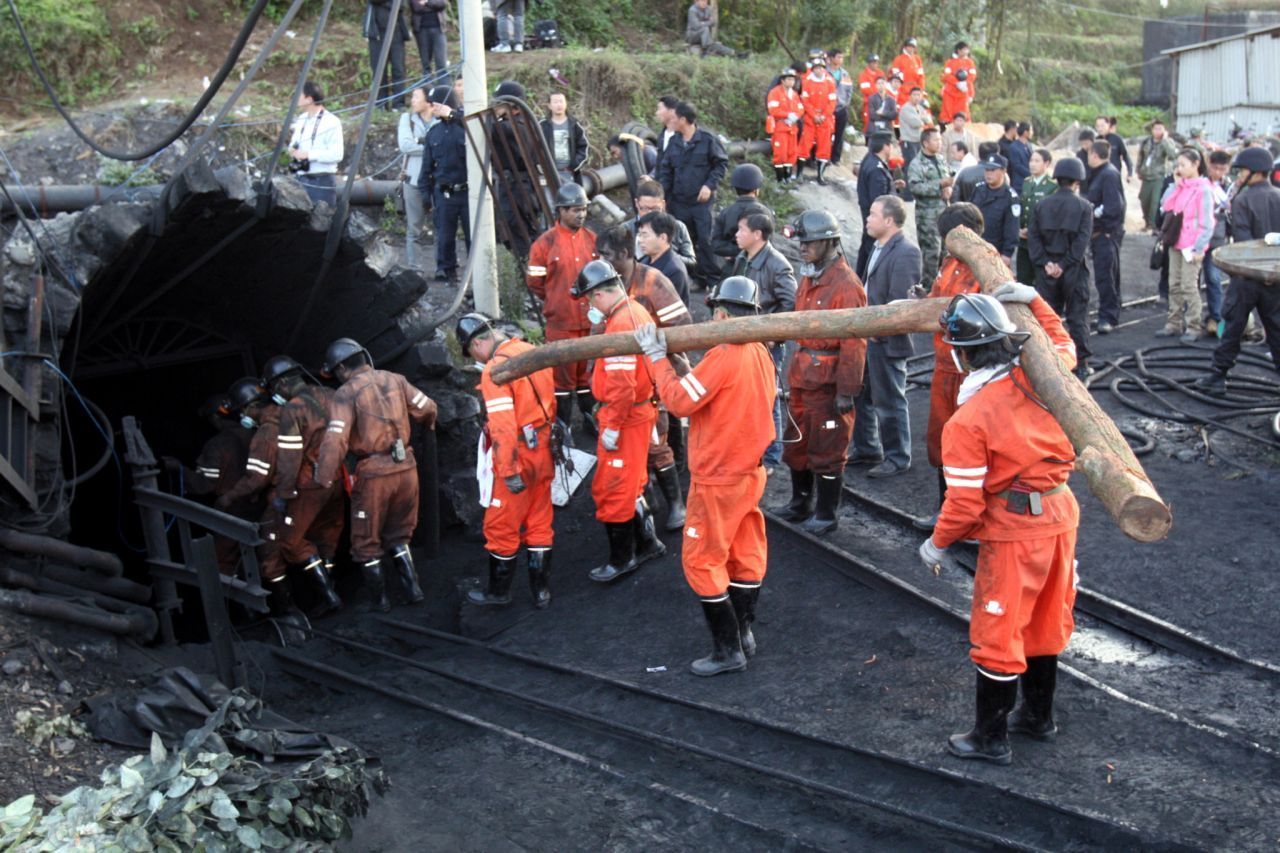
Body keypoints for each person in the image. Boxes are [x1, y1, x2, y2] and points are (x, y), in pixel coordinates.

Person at [919, 285, 1080, 766]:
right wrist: (1035, 300)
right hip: (1060, 512)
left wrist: (937, 543)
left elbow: (964, 505)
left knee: (999, 628)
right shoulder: (1043, 374)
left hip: (1015, 528)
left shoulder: (968, 421)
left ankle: (989, 739)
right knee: (1048, 618)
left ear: (965, 356)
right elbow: (1062, 340)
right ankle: (1038, 717)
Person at [633, 276, 776, 676]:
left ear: (723, 313)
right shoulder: (759, 350)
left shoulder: (726, 354)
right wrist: (679, 365)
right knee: (745, 552)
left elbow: (679, 402)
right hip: (749, 472)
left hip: (718, 479)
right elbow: (712, 392)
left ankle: (727, 651)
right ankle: (744, 633)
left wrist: (655, 359)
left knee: (702, 559)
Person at [314, 338, 437, 612]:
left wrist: (323, 477)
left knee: (366, 542)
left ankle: (379, 603)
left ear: (343, 368)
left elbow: (336, 440)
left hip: (374, 474)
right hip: (406, 467)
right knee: (399, 533)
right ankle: (413, 589)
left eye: (336, 372)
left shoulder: (345, 394)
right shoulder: (395, 379)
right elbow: (428, 407)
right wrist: (427, 427)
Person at [571, 261, 667, 583]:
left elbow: (621, 385)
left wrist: (611, 425)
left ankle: (621, 559)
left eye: (589, 299)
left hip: (625, 418)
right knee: (633, 482)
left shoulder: (621, 323)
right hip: (638, 413)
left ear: (600, 294)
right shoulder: (634, 311)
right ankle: (648, 543)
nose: (589, 307)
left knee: (612, 489)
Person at [456, 314, 556, 609]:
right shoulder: (528, 350)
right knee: (539, 519)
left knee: (501, 526)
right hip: (544, 445)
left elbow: (502, 425)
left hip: (519, 454)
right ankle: (542, 593)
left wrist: (508, 470)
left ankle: (499, 593)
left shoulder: (495, 370)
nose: (475, 358)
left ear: (477, 343)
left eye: (471, 352)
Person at [596, 226, 692, 532]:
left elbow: (683, 327)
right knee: (636, 447)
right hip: (621, 379)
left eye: (607, 255)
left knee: (657, 443)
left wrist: (654, 352)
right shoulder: (607, 283)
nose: (602, 260)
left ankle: (677, 504)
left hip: (652, 378)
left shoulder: (652, 281)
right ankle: (643, 502)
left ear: (624, 255)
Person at [777, 210, 867, 535]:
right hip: (802, 379)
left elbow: (854, 341)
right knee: (796, 442)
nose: (803, 248)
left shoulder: (845, 285)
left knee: (827, 447)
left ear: (829, 241)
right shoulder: (809, 275)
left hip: (829, 387)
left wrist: (847, 390)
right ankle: (800, 502)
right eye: (801, 242)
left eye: (809, 242)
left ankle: (826, 513)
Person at [215, 379, 307, 641]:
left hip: (281, 499)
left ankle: (289, 612)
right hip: (309, 491)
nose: (242, 418)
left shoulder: (265, 433)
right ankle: (326, 596)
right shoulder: (293, 415)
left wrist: (230, 497)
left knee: (269, 560)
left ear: (249, 408)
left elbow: (257, 477)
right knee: (308, 543)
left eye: (242, 412)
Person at [259, 355, 346, 616]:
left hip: (310, 485)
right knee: (326, 534)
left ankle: (329, 596)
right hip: (338, 480)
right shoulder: (331, 395)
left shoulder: (293, 409)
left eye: (275, 389)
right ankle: (329, 589)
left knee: (290, 541)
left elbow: (289, 458)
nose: (276, 394)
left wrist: (283, 494)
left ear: (283, 384)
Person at [917, 203, 985, 530]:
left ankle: (970, 518)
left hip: (972, 372)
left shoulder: (987, 267)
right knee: (940, 439)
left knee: (969, 447)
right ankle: (946, 508)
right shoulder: (950, 264)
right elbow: (936, 298)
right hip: (945, 366)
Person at [1196, 147, 1280, 394]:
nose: (1240, 175)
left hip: (1247, 278)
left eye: (1243, 170)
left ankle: (1218, 376)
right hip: (1274, 277)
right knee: (1276, 329)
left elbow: (1244, 243)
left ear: (1255, 172)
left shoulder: (1242, 200)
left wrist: (1251, 273)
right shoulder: (1278, 197)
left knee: (1232, 327)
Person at [850, 195, 922, 478]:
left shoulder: (906, 251)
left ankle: (897, 457)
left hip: (885, 340)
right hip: (870, 336)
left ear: (889, 220)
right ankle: (868, 447)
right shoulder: (878, 247)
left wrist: (880, 331)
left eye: (873, 214)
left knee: (890, 400)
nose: (867, 219)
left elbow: (900, 303)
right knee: (862, 394)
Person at [527, 182, 600, 431]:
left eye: (583, 209)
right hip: (561, 325)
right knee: (562, 381)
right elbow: (536, 283)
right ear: (561, 211)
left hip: (590, 325)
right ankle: (562, 429)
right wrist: (556, 301)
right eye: (574, 210)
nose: (580, 214)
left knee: (588, 378)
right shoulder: (544, 245)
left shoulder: (592, 240)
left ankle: (592, 425)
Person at [731, 211, 797, 470]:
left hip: (765, 344)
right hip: (743, 339)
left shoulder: (777, 264)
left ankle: (771, 456)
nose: (736, 235)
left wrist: (772, 336)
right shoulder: (742, 259)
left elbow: (791, 304)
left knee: (768, 398)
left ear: (757, 234)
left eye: (741, 230)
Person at [168, 395, 253, 577]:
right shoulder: (255, 434)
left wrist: (179, 470)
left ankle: (233, 602)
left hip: (232, 509)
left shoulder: (217, 444)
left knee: (223, 560)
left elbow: (204, 484)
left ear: (215, 417)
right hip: (260, 503)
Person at [1028, 157, 1094, 377]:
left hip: (1046, 270)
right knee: (1077, 317)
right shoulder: (1084, 207)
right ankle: (1081, 365)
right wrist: (1063, 265)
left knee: (1048, 317)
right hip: (1073, 269)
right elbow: (1081, 243)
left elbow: (1033, 239)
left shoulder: (1041, 204)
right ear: (1077, 181)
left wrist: (1047, 263)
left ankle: (1048, 362)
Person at [657, 101, 729, 291]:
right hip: (679, 202)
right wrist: (662, 198)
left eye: (674, 118)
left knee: (705, 240)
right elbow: (666, 172)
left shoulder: (707, 140)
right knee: (686, 242)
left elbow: (720, 164)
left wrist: (709, 185)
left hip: (701, 204)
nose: (670, 121)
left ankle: (714, 280)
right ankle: (697, 278)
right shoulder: (674, 143)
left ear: (683, 120)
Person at [1157, 149, 1215, 343]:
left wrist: (1200, 248)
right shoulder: (1180, 186)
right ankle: (1174, 323)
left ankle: (1193, 326)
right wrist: (1176, 185)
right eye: (1178, 165)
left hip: (1192, 246)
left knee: (1189, 286)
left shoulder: (1204, 189)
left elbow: (1207, 223)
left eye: (1183, 165)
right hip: (1176, 242)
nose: (1179, 169)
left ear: (1196, 164)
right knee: (1174, 284)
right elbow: (1166, 206)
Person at [416, 84, 469, 284]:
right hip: (444, 193)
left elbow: (480, 128)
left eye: (436, 104)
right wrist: (425, 194)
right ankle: (446, 269)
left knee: (472, 236)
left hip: (466, 191)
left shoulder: (465, 127)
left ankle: (474, 273)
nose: (433, 109)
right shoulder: (434, 133)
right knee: (445, 236)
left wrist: (454, 115)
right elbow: (426, 167)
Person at [491, 80, 545, 261]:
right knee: (512, 232)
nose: (497, 108)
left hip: (520, 188)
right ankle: (528, 271)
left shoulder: (518, 126)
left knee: (523, 233)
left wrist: (453, 115)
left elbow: (491, 128)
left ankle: (532, 274)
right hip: (514, 186)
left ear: (513, 106)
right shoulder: (514, 124)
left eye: (500, 104)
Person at [1086, 140, 1126, 334]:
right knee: (1106, 275)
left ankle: (1108, 316)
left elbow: (1114, 206)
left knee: (1106, 276)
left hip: (1106, 234)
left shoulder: (1108, 175)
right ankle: (1109, 313)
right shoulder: (1103, 174)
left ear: (1094, 155)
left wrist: (1101, 221)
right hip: (1101, 233)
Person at [906, 127, 953, 285]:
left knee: (946, 254)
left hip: (944, 214)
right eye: (936, 140)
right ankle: (928, 290)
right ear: (925, 143)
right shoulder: (917, 164)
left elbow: (947, 179)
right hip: (927, 218)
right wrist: (939, 185)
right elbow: (915, 188)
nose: (939, 143)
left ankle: (944, 287)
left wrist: (948, 188)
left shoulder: (940, 159)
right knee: (930, 256)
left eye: (940, 140)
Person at [288, 81, 344, 205]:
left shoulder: (332, 121)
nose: (296, 98)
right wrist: (293, 151)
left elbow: (337, 154)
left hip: (321, 181)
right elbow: (292, 144)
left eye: (299, 95)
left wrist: (309, 155)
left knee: (321, 220)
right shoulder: (302, 118)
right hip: (300, 179)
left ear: (309, 99)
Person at [398, 86, 435, 271]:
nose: (412, 100)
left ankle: (444, 267)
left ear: (428, 101)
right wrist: (433, 147)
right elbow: (405, 146)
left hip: (437, 180)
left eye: (416, 97)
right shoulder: (407, 119)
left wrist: (422, 144)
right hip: (413, 179)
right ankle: (415, 267)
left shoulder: (440, 118)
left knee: (443, 227)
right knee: (414, 228)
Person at [626, 180, 697, 275]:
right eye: (645, 208)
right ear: (636, 203)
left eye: (655, 209)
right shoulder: (626, 229)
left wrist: (665, 253)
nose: (650, 214)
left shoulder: (677, 227)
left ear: (663, 205)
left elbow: (692, 262)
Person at [710, 164, 771, 273]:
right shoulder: (765, 213)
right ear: (756, 190)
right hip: (758, 269)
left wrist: (733, 253)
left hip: (732, 268)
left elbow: (716, 245)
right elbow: (768, 243)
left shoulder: (725, 212)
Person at [856, 136, 896, 280]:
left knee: (866, 248)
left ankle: (860, 279)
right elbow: (878, 199)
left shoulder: (870, 161)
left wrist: (893, 185)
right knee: (872, 251)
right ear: (885, 146)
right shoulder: (876, 168)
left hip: (870, 215)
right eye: (891, 145)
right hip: (877, 217)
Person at [1202, 150, 1233, 336]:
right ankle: (1192, 319)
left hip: (1218, 239)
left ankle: (1216, 316)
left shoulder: (1230, 186)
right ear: (1209, 165)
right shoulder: (1202, 183)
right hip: (1198, 238)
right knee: (1191, 282)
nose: (1218, 172)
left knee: (1213, 278)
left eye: (1223, 169)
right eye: (1215, 168)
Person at [1016, 148, 1055, 285]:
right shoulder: (1027, 182)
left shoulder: (1052, 186)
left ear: (1046, 163)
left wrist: (1032, 230)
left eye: (1037, 161)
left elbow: (1050, 214)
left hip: (1040, 239)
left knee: (1040, 279)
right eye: (1031, 160)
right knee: (1023, 277)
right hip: (1024, 239)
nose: (1032, 164)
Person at [971, 153, 1019, 267]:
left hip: (996, 251)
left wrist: (1007, 254)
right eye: (987, 170)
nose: (989, 173)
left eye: (993, 170)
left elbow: (1012, 228)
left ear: (1003, 171)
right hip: (975, 246)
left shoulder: (1010, 197)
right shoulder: (978, 189)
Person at [637, 211, 692, 305]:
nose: (640, 240)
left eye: (645, 235)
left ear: (663, 238)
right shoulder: (644, 261)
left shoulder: (674, 270)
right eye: (639, 235)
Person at [799, 54, 839, 184]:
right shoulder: (807, 82)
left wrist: (824, 115)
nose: (819, 70)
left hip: (824, 120)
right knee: (805, 145)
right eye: (816, 68)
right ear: (812, 69)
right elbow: (805, 100)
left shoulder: (829, 82)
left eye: (821, 68)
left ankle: (820, 176)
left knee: (824, 147)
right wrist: (813, 115)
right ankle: (799, 174)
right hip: (810, 119)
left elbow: (832, 102)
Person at [363, 0, 408, 110]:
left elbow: (401, 5)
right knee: (379, 70)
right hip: (377, 34)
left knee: (398, 69)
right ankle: (381, 104)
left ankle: (399, 104)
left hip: (396, 33)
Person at [539, 92, 589, 187]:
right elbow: (535, 148)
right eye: (555, 102)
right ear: (549, 105)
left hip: (570, 173)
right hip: (548, 174)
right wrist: (542, 168)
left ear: (566, 104)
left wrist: (573, 166)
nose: (559, 105)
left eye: (561, 101)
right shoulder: (542, 125)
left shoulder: (574, 124)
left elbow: (583, 147)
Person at [1137, 120, 1180, 231]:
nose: (1157, 131)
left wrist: (1165, 140)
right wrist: (1138, 170)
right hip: (1146, 175)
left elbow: (1172, 155)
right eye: (1156, 129)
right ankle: (1147, 222)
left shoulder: (1167, 142)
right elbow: (1141, 156)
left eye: (1160, 129)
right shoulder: (1147, 142)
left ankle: (1153, 224)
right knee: (1144, 199)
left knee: (1155, 201)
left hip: (1159, 175)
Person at [766, 68, 804, 182]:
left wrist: (796, 116)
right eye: (789, 79)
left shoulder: (795, 94)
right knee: (780, 154)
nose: (791, 82)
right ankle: (779, 180)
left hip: (792, 128)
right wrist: (787, 115)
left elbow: (801, 108)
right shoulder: (775, 92)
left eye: (793, 79)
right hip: (780, 127)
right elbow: (773, 110)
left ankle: (788, 178)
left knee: (791, 153)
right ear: (783, 80)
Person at [829, 49, 855, 166]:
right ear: (832, 58)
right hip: (828, 109)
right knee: (826, 134)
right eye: (838, 57)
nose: (840, 60)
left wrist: (845, 103)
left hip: (842, 108)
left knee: (840, 134)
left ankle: (836, 158)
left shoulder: (845, 74)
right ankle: (824, 157)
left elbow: (849, 90)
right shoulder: (825, 72)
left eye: (842, 57)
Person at [940, 43, 976, 124]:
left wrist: (965, 84)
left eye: (967, 49)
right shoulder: (950, 62)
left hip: (963, 92)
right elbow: (946, 75)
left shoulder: (970, 63)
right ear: (958, 50)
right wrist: (956, 83)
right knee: (947, 111)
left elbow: (972, 76)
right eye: (964, 49)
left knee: (963, 112)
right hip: (950, 91)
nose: (966, 51)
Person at [409, 0, 447, 75]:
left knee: (441, 62)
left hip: (438, 29)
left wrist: (426, 2)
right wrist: (433, 5)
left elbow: (442, 5)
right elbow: (416, 7)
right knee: (426, 63)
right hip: (421, 30)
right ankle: (428, 85)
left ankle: (444, 86)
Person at [1095, 116, 1133, 183]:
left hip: (1114, 175)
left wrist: (1130, 173)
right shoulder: (1096, 140)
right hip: (1099, 176)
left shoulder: (1116, 139)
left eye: (1102, 126)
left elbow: (1125, 156)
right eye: (1098, 126)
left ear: (1108, 125)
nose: (1100, 129)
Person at [899, 88, 930, 170]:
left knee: (919, 165)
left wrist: (922, 120)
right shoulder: (906, 108)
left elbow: (929, 120)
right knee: (910, 166)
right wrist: (923, 121)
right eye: (914, 95)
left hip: (919, 140)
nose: (916, 97)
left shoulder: (920, 108)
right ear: (910, 96)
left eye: (918, 95)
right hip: (909, 141)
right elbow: (915, 123)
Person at [653, 95, 683, 177]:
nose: (657, 113)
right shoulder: (661, 137)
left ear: (671, 111)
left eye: (660, 109)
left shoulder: (684, 137)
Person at [857, 53, 882, 133]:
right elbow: (865, 89)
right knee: (868, 123)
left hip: (880, 102)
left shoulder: (880, 73)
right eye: (873, 62)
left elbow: (884, 86)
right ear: (869, 63)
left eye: (876, 62)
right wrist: (878, 90)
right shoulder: (863, 75)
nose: (875, 64)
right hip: (868, 103)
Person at [1007, 123, 1033, 193]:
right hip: (1019, 183)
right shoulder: (1014, 147)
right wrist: (1030, 173)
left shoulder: (1029, 145)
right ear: (1025, 132)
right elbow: (1016, 165)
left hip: (1030, 182)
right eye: (1031, 130)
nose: (1032, 133)